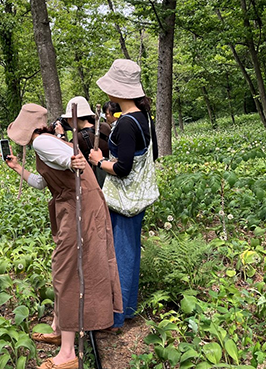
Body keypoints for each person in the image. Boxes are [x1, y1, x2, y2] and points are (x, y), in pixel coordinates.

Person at [5, 103, 122, 369]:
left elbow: (68, 162)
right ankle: (61, 329)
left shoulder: (42, 145)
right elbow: (40, 181)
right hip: (74, 205)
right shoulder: (47, 142)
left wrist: (73, 161)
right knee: (64, 267)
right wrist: (15, 167)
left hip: (79, 206)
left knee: (67, 271)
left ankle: (68, 354)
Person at [88, 59, 158, 330]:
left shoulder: (127, 123)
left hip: (124, 201)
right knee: (127, 254)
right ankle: (125, 310)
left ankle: (116, 317)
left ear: (119, 91)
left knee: (120, 256)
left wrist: (98, 160)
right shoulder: (143, 117)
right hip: (135, 199)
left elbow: (123, 168)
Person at [54, 96, 111, 187]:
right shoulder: (105, 126)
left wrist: (61, 135)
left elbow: (67, 156)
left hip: (96, 182)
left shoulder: (79, 138)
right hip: (110, 176)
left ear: (73, 119)